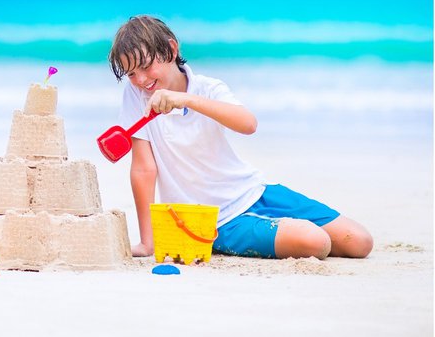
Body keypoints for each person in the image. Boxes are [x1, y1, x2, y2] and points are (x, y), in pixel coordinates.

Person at [108, 15, 373, 260]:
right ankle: (276, 232)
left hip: (254, 192)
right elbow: (144, 168)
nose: (141, 80)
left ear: (171, 49)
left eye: (145, 66)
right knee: (316, 242)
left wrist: (185, 100)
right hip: (213, 220)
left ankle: (280, 228)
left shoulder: (208, 88)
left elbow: (248, 124)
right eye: (131, 73)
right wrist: (148, 242)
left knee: (360, 242)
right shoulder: (136, 97)